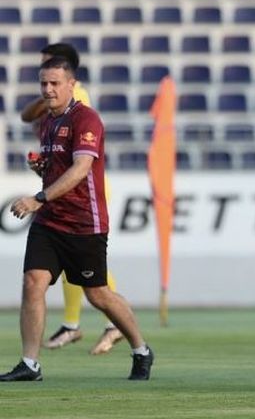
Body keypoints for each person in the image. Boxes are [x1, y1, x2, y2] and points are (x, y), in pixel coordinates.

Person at [0, 57, 153, 381]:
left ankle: (141, 348)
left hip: (84, 223)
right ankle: (30, 364)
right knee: (32, 283)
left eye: (55, 83)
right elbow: (60, 165)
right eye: (43, 83)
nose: (48, 89)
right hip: (50, 221)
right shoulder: (48, 122)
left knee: (97, 294)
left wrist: (38, 198)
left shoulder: (87, 119)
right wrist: (43, 170)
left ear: (72, 84)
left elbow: (81, 168)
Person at [21, 43, 124, 355]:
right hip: (62, 194)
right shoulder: (52, 105)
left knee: (92, 277)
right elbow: (29, 116)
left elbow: (80, 161)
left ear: (69, 76)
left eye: (53, 77)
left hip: (83, 194)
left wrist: (42, 193)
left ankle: (97, 324)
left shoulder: (76, 103)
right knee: (65, 269)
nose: (47, 84)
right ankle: (72, 325)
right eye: (44, 78)